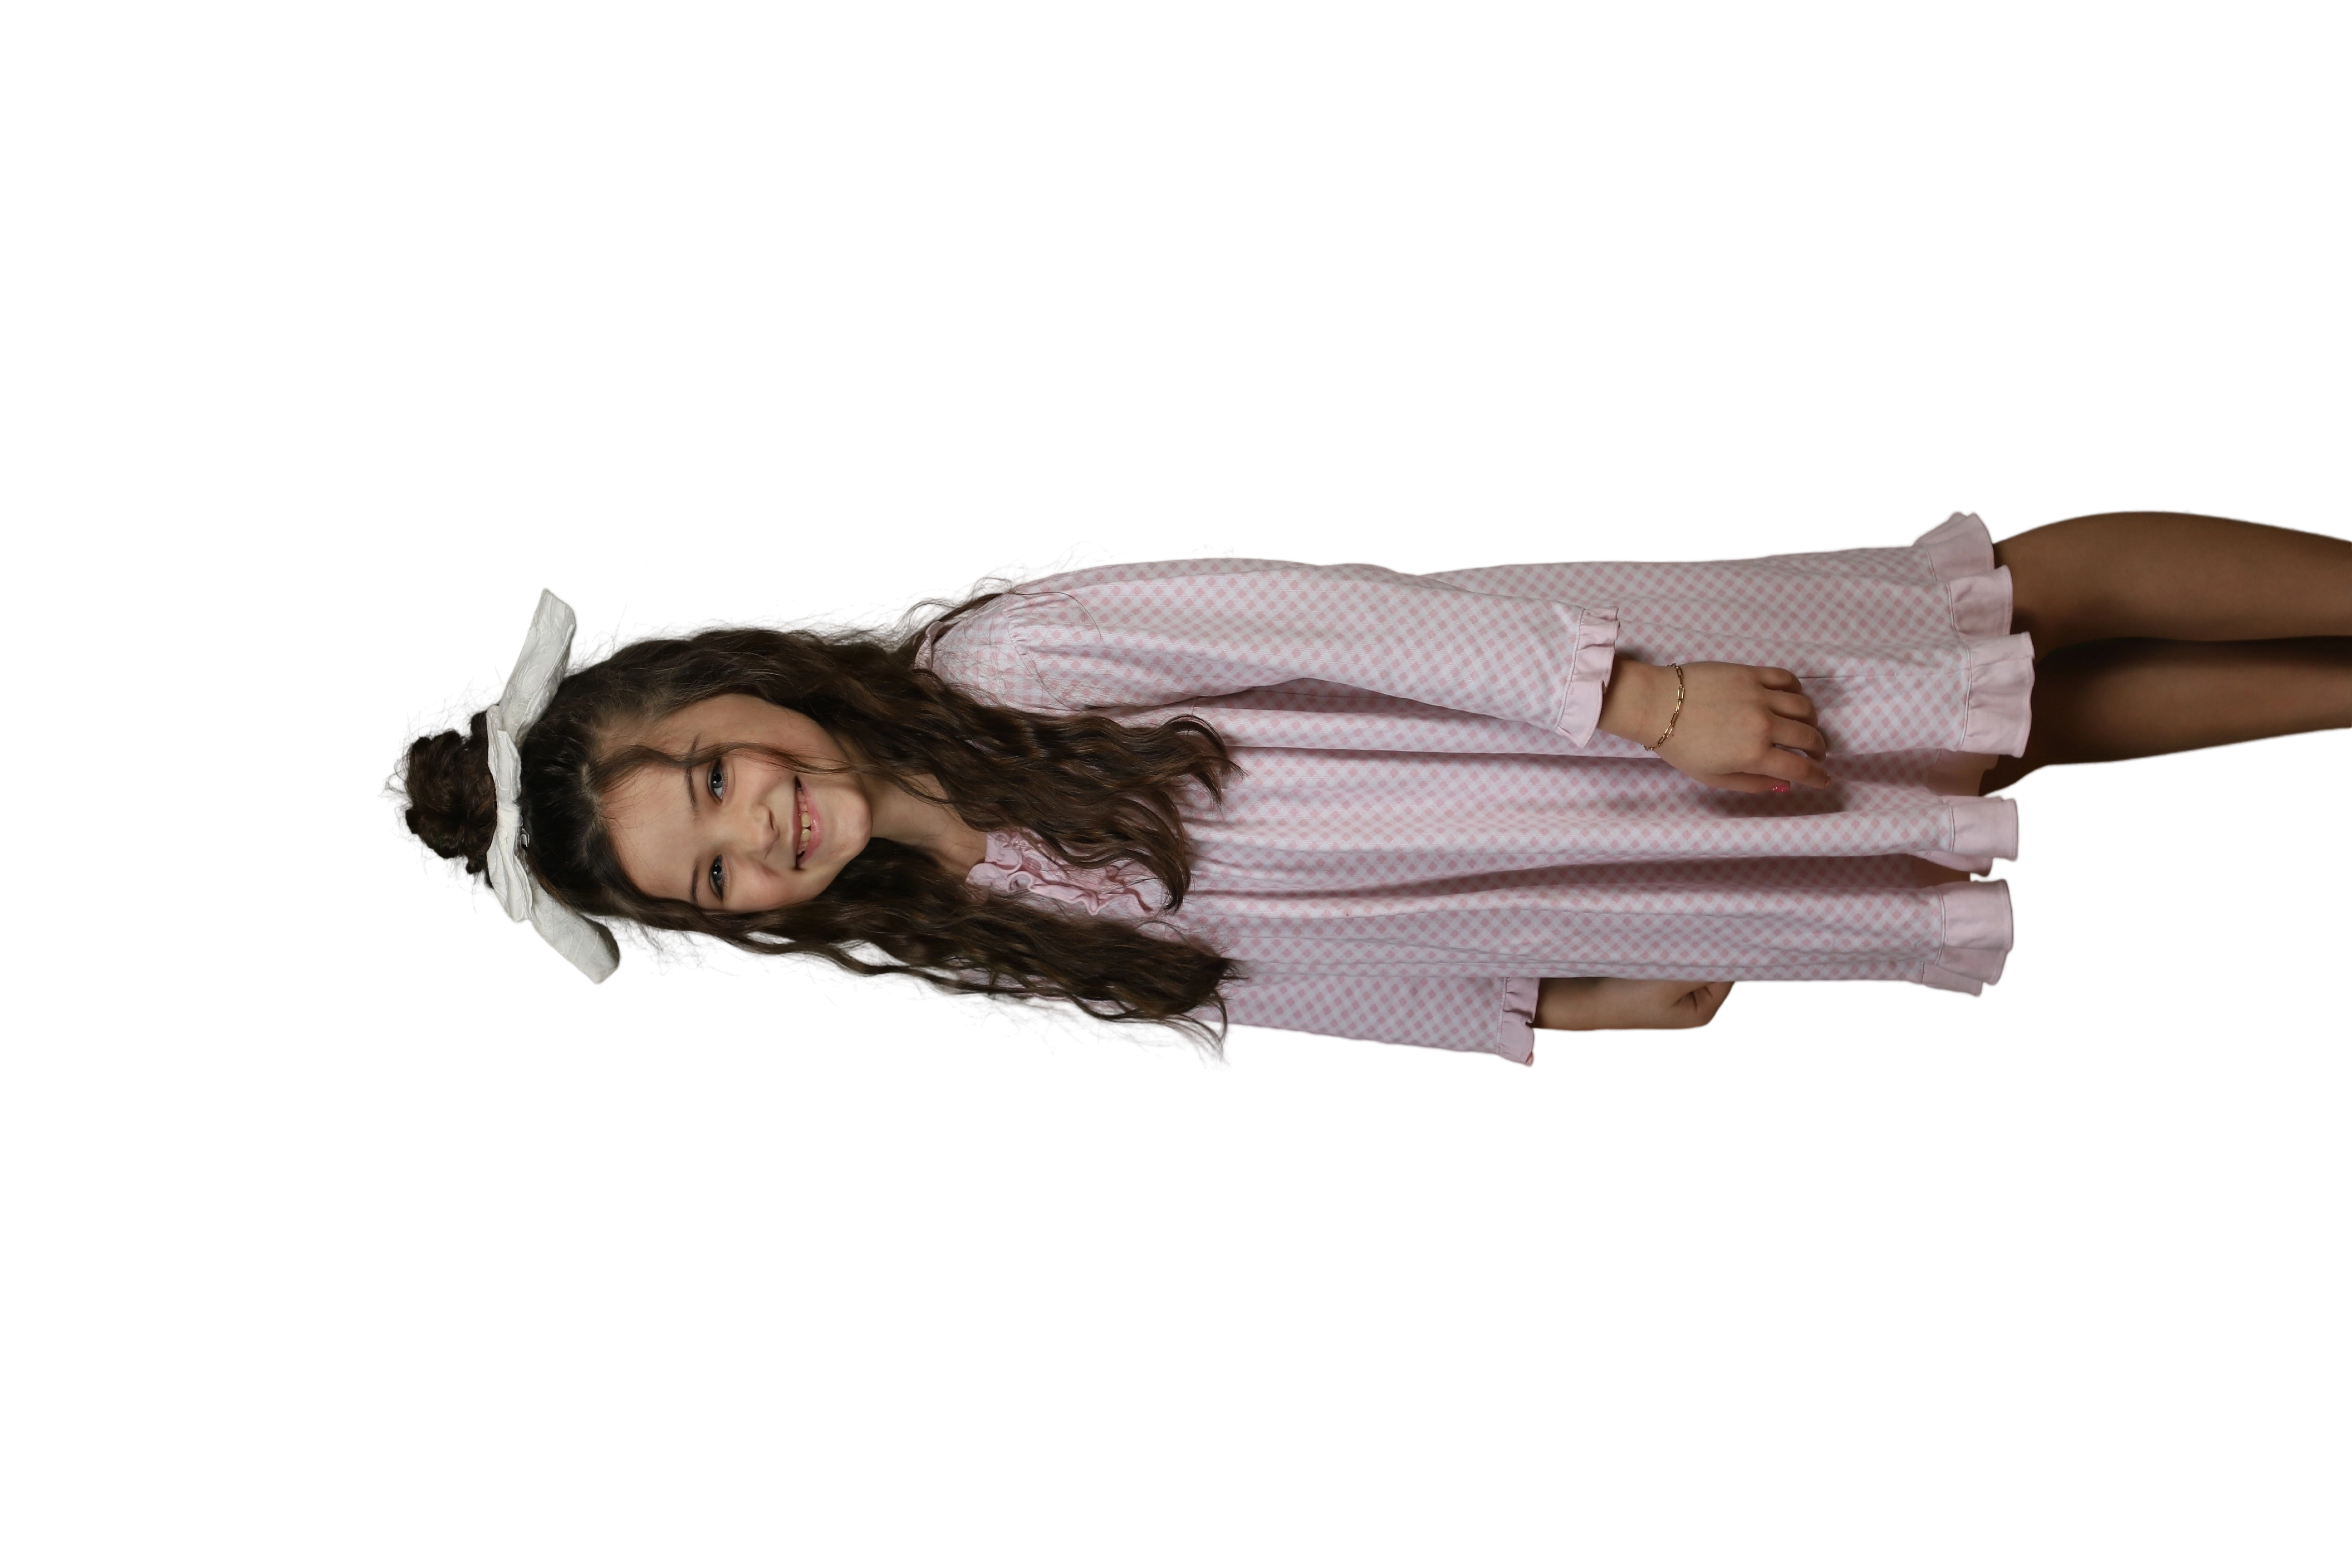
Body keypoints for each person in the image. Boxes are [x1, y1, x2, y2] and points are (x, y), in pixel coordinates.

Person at [377, 507, 2352, 1076]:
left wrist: (1645, 697)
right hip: (1559, 869)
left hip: (1574, 722)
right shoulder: (979, 951)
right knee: (2007, 741)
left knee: (1986, 619)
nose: (762, 827)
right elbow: (1265, 986)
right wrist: (1556, 1003)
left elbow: (1341, 618)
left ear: (715, 692)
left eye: (715, 776)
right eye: (719, 874)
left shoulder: (1007, 664)